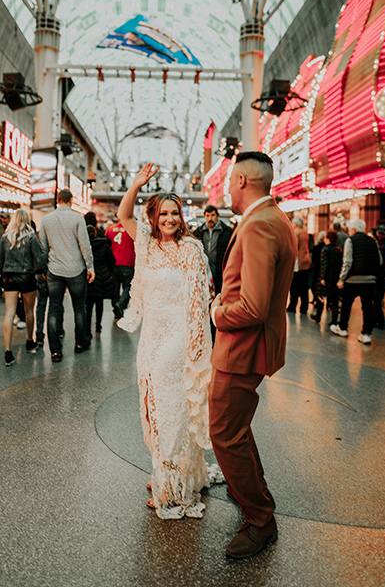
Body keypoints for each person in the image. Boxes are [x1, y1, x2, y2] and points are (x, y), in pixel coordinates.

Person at [118, 164, 221, 519]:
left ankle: (171, 485)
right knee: (152, 406)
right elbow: (123, 214)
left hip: (178, 340)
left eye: (175, 213)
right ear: (154, 217)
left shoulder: (191, 250)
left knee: (171, 410)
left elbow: (198, 302)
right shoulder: (146, 244)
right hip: (150, 339)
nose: (170, 218)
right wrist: (136, 183)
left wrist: (196, 345)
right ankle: (169, 467)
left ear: (182, 217)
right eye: (163, 213)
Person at [208, 151, 297, 559]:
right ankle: (253, 494)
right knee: (237, 429)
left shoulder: (259, 225)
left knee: (224, 434)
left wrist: (217, 311)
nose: (227, 188)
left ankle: (260, 518)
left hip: (241, 349)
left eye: (229, 180)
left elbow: (254, 306)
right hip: (252, 347)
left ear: (242, 181)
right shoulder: (274, 218)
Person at [39, 189, 95, 363]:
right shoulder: (78, 218)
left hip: (54, 270)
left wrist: (44, 267)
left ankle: (55, 351)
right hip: (76, 269)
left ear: (58, 200)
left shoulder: (46, 220)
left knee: (54, 308)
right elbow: (85, 245)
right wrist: (90, 266)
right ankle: (80, 343)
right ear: (71, 201)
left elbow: (42, 247)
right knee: (79, 307)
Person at [0, 209, 47, 366]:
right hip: (26, 277)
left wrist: (3, 274)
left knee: (9, 313)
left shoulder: (5, 237)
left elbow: (1, 259)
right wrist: (45, 271)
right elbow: (38, 258)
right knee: (28, 310)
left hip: (10, 277)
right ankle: (29, 341)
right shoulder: (31, 236)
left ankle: (7, 352)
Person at [330, 219, 380, 344]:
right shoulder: (373, 241)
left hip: (353, 279)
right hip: (370, 279)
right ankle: (366, 334)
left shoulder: (350, 240)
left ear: (354, 229)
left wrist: (341, 279)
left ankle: (343, 328)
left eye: (350, 229)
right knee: (367, 306)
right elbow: (379, 260)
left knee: (347, 305)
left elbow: (347, 261)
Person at [194, 204, 232, 295]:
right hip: (204, 274)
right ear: (204, 216)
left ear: (217, 216)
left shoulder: (227, 232)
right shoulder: (198, 232)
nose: (210, 218)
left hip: (220, 273)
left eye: (212, 215)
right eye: (207, 215)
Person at [85, 225, 116, 337]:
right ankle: (98, 325)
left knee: (88, 305)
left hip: (89, 278)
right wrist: (108, 271)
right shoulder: (104, 246)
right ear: (96, 233)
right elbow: (112, 260)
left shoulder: (84, 247)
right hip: (102, 277)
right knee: (99, 303)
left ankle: (87, 329)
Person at [310, 231, 343, 325]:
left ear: (328, 239)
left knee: (321, 297)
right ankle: (334, 320)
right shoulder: (338, 250)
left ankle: (318, 316)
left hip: (326, 277)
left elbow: (324, 264)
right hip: (335, 277)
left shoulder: (325, 249)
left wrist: (322, 277)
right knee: (334, 300)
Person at [105, 217, 135, 320]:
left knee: (115, 289)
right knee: (128, 286)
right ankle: (121, 305)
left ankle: (116, 310)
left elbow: (106, 245)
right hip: (128, 263)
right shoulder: (131, 230)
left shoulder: (110, 230)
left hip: (114, 264)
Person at [287, 216, 311, 314]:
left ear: (295, 224)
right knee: (304, 287)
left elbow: (293, 247)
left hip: (298, 263)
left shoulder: (295, 233)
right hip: (305, 261)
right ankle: (304, 307)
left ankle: (293, 305)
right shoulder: (305, 233)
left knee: (294, 286)